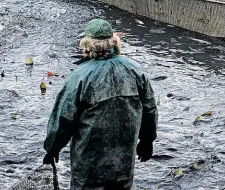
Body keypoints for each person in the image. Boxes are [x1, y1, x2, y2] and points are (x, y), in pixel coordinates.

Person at [43, 18, 158, 190]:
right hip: (123, 162)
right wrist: (147, 140)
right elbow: (149, 109)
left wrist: (52, 149)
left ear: (87, 44)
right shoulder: (136, 70)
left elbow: (64, 119)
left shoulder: (80, 76)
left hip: (89, 166)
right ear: (114, 42)